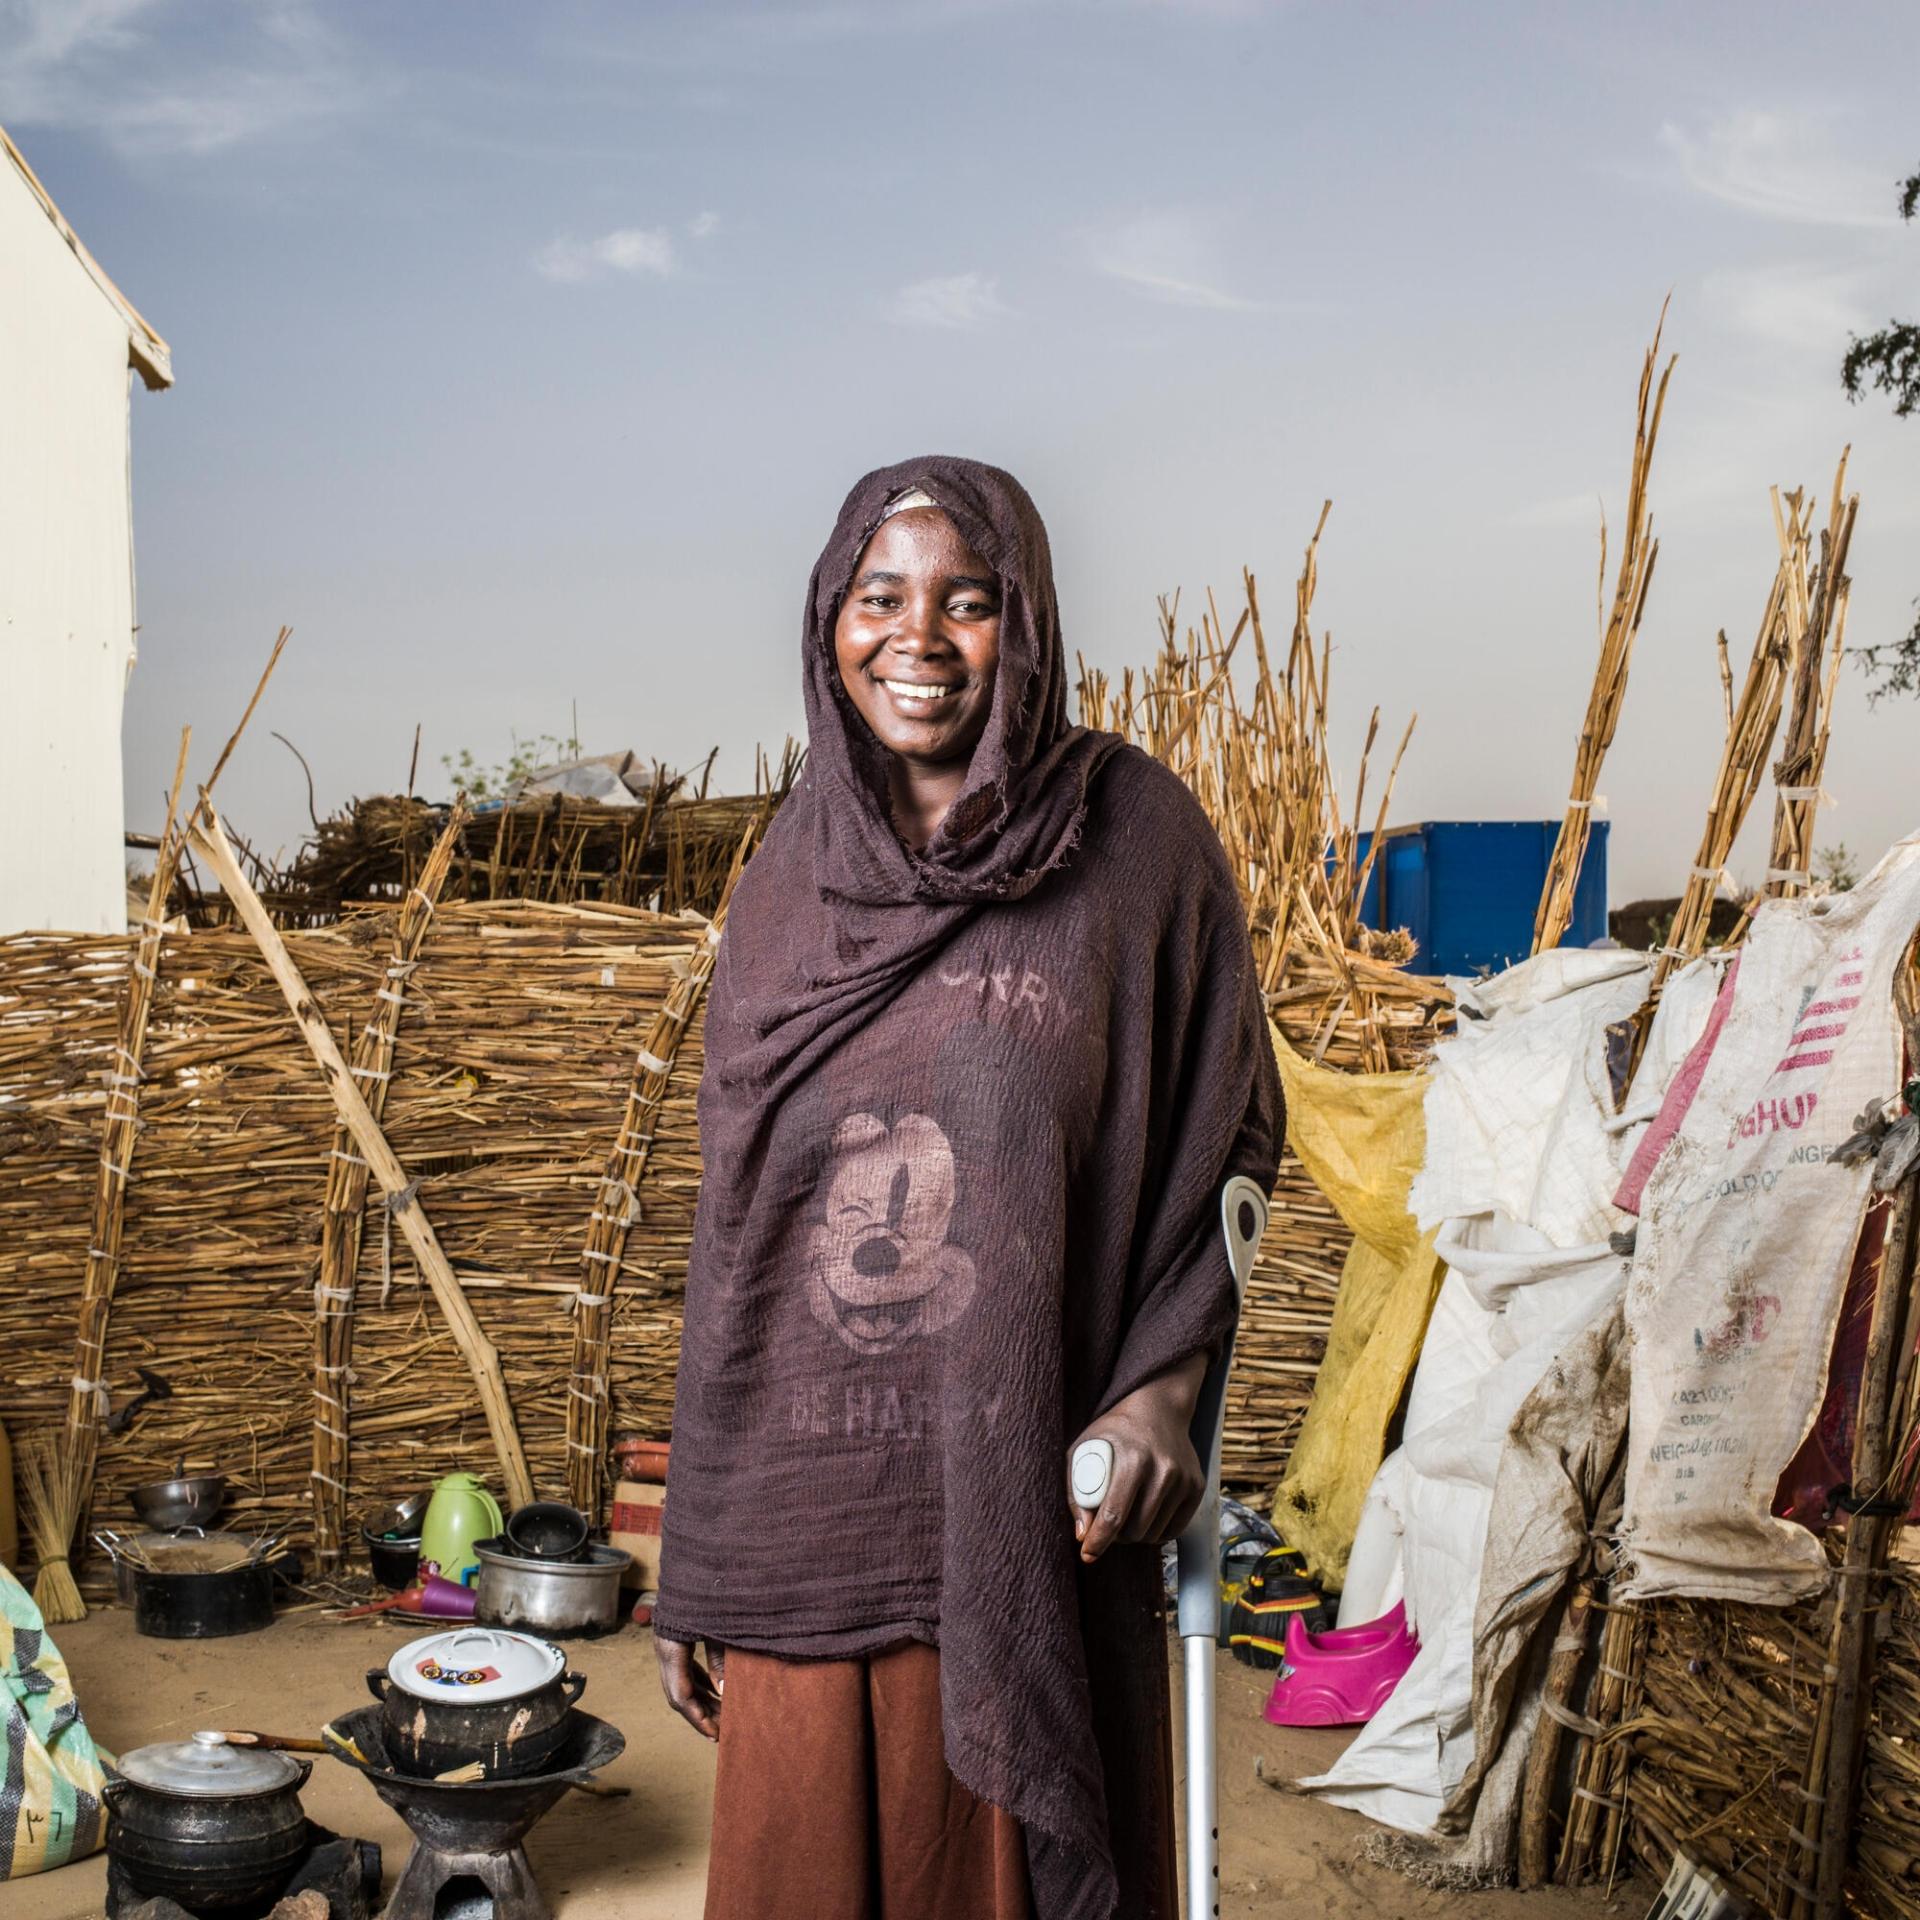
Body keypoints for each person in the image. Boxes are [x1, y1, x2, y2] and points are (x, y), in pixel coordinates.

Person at [653, 457, 1282, 1920]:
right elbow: (739, 1235)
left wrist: (1162, 1395)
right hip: (809, 1516)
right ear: (830, 622)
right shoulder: (786, 884)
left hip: (1023, 1522)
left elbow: (1230, 1132)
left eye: (969, 602)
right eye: (880, 598)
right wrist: (701, 1550)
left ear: (1028, 625)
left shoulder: (1133, 844)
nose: (918, 640)